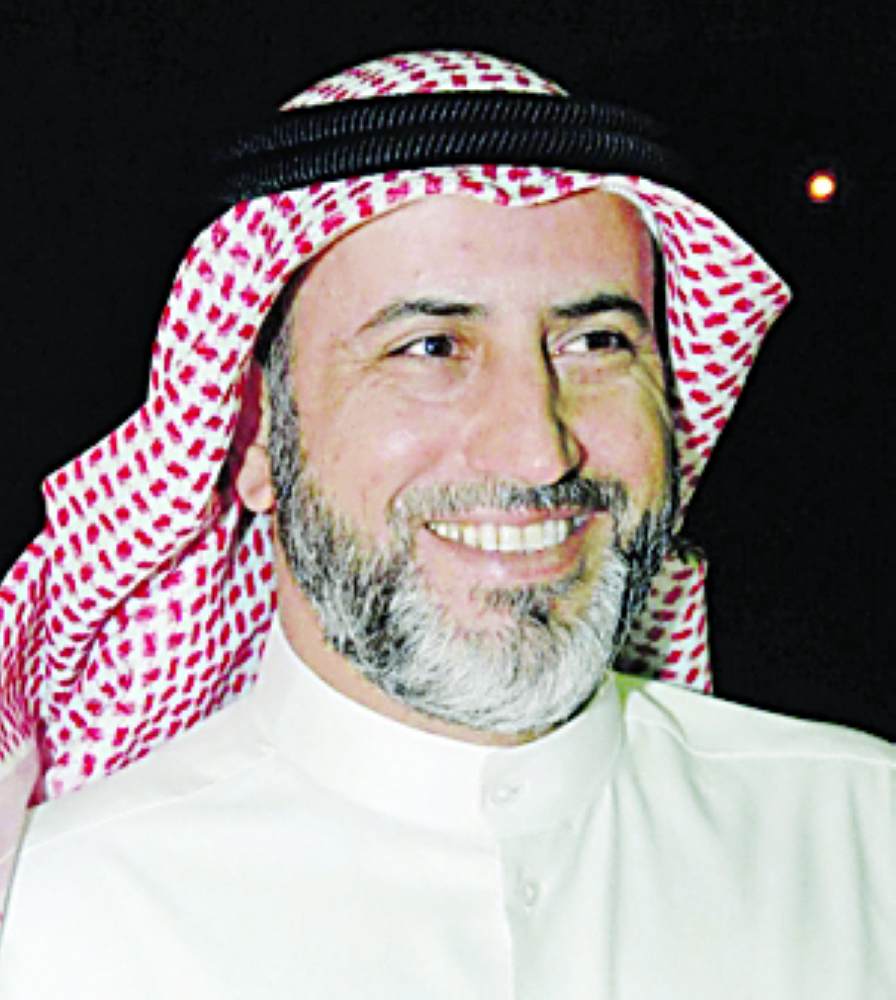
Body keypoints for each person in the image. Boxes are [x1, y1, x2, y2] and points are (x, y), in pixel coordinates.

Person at [0, 51, 892, 998]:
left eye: (596, 342)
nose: (537, 451)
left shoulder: (864, 840)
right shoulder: (55, 924)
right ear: (253, 431)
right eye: (429, 347)